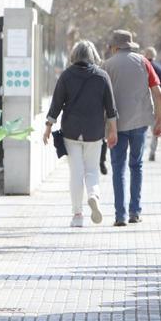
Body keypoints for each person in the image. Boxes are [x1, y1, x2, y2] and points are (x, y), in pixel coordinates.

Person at [44, 40, 119, 227]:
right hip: (94, 131)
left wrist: (48, 127)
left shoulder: (66, 76)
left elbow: (56, 104)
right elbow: (111, 108)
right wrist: (113, 131)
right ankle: (94, 195)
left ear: (74, 55)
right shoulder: (102, 76)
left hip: (71, 130)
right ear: (93, 55)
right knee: (92, 170)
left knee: (76, 172)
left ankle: (77, 215)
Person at [102, 29, 161, 225]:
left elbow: (101, 98)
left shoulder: (106, 65)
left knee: (118, 168)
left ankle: (119, 215)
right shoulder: (144, 62)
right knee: (136, 166)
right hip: (140, 123)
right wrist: (159, 120)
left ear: (114, 46)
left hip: (116, 125)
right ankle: (134, 212)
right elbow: (158, 94)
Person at [142, 47, 161, 162]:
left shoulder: (141, 66)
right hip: (157, 101)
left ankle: (140, 150)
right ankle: (153, 151)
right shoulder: (160, 69)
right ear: (155, 55)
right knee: (157, 127)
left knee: (142, 128)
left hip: (143, 100)